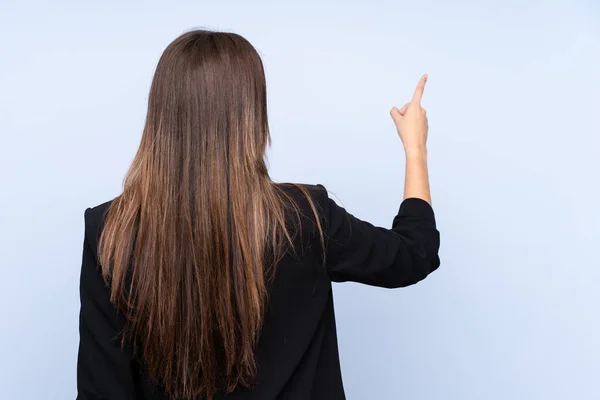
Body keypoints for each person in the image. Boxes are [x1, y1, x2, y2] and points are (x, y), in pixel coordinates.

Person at [76, 29, 440, 400]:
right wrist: (415, 149)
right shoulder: (305, 217)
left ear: (161, 115)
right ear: (253, 115)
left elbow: (101, 391)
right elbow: (415, 253)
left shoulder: (110, 232)